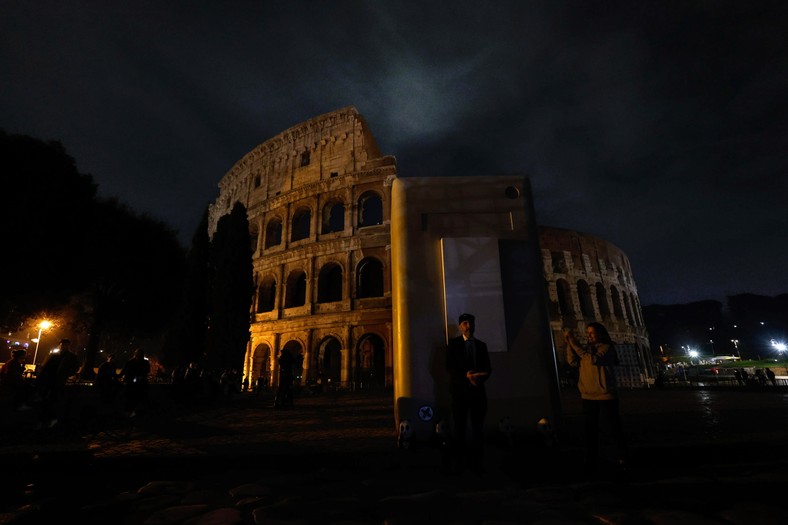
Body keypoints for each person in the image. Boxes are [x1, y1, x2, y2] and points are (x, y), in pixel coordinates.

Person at [565, 322, 627, 474]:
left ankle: (622, 457)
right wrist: (569, 344)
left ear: (600, 333)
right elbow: (572, 362)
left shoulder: (607, 348)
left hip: (606, 396)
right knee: (590, 430)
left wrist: (574, 343)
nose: (588, 335)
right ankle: (592, 458)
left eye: (591, 332)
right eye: (587, 333)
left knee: (613, 429)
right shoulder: (586, 350)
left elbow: (591, 360)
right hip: (588, 395)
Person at [445, 312, 492, 475]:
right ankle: (459, 461)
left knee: (478, 429)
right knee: (459, 429)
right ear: (460, 326)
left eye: (471, 323)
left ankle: (477, 462)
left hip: (478, 394)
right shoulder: (453, 344)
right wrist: (465, 377)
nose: (468, 326)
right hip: (459, 394)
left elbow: (488, 369)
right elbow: (449, 367)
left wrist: (479, 377)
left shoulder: (482, 346)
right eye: (465, 323)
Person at [36, 338, 80, 428]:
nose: (64, 346)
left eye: (65, 345)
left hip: (56, 380)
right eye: (63, 345)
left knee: (53, 398)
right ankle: (51, 417)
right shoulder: (68, 356)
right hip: (55, 380)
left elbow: (45, 367)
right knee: (53, 398)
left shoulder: (57, 355)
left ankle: (49, 417)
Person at [119, 348, 150, 416]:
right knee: (133, 398)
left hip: (137, 383)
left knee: (134, 398)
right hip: (134, 383)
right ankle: (132, 412)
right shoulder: (134, 362)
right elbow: (124, 370)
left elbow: (124, 370)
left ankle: (132, 412)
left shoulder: (133, 362)